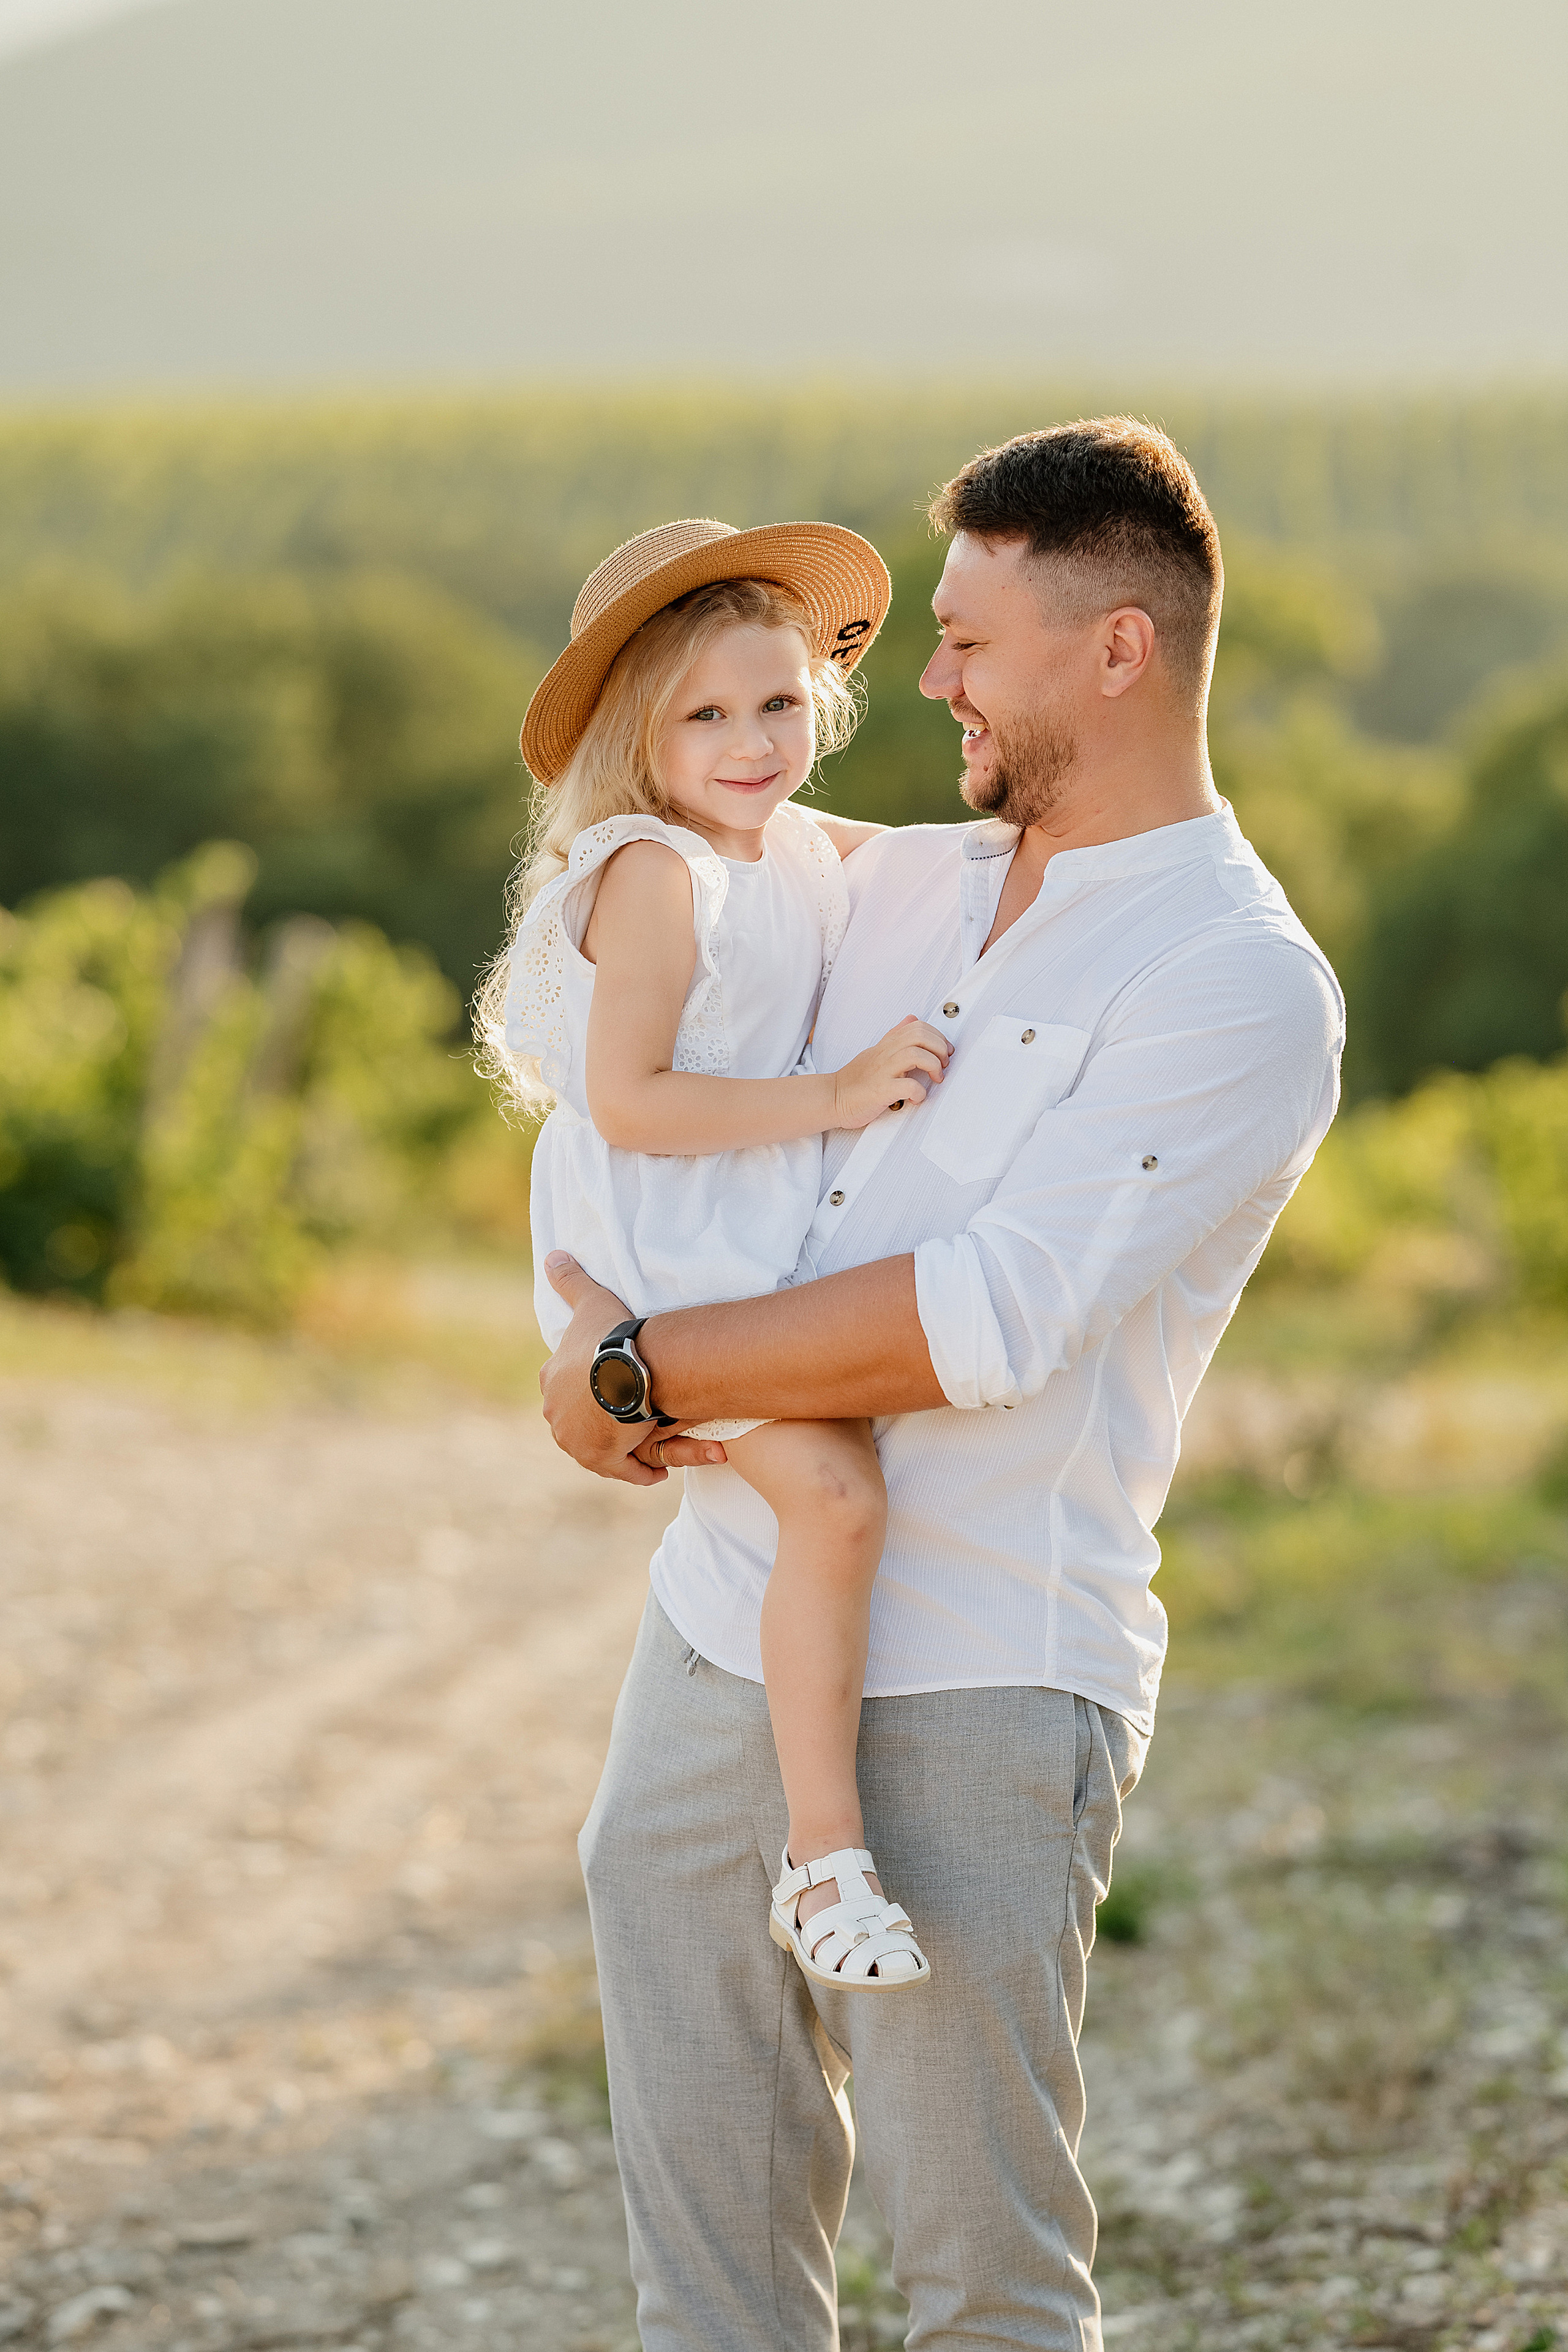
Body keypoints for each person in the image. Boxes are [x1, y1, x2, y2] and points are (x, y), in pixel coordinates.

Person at [538, 418, 1347, 2352]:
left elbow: (984, 1319)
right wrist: (582, 1316)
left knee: (983, 2283)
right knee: (709, 2281)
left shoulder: (1235, 980)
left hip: (983, 1672)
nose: (925, 682)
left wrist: (634, 1369)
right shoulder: (891, 880)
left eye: (969, 641)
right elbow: (647, 1068)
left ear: (1117, 651)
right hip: (716, 1629)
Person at [478, 518, 955, 1994]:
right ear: (637, 732)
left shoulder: (789, 843)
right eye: (704, 716)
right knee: (833, 1495)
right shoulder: (653, 872)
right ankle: (822, 1862)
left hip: (734, 1223)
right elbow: (627, 1101)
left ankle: (813, 1845)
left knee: (830, 1491)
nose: (751, 743)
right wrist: (836, 1095)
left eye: (778, 702)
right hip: (663, 1232)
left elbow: (953, 864)